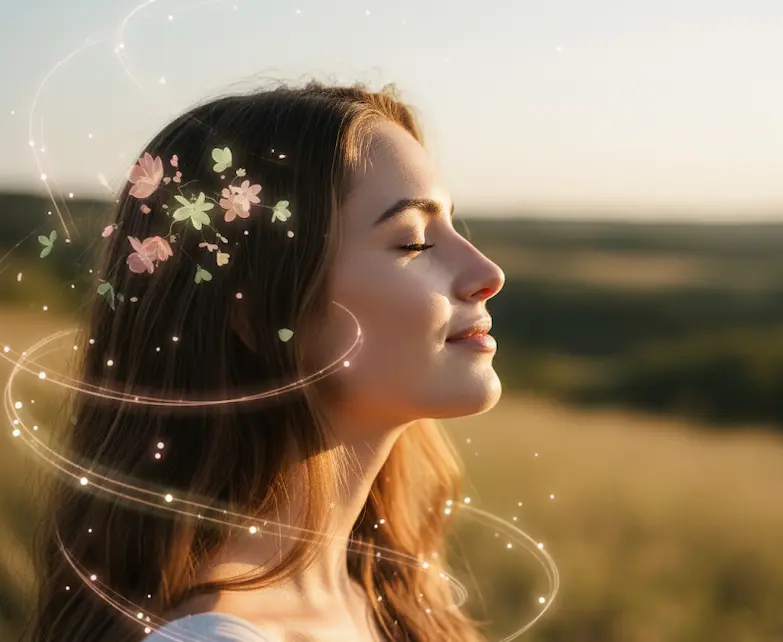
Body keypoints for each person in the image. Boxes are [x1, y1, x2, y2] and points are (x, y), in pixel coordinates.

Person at [25, 80, 505, 642]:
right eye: (413, 241)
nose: (487, 274)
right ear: (253, 313)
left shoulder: (388, 595)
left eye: (452, 224)